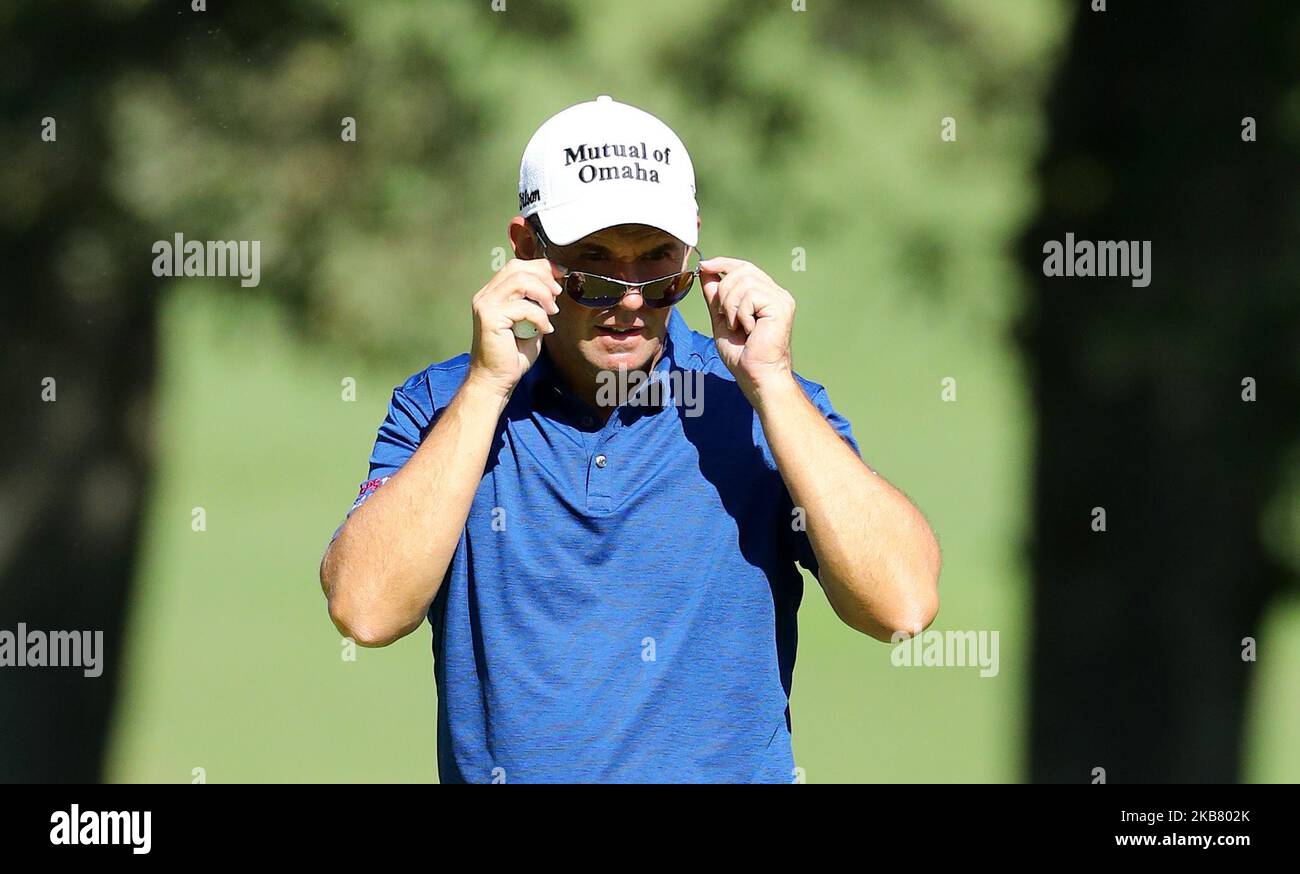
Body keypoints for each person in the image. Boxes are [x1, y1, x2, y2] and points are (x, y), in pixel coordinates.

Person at [319, 95, 941, 783]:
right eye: (594, 267)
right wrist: (487, 389)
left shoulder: (763, 406)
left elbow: (902, 605)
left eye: (659, 265)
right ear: (526, 250)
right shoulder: (443, 405)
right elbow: (365, 610)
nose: (632, 299)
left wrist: (774, 386)